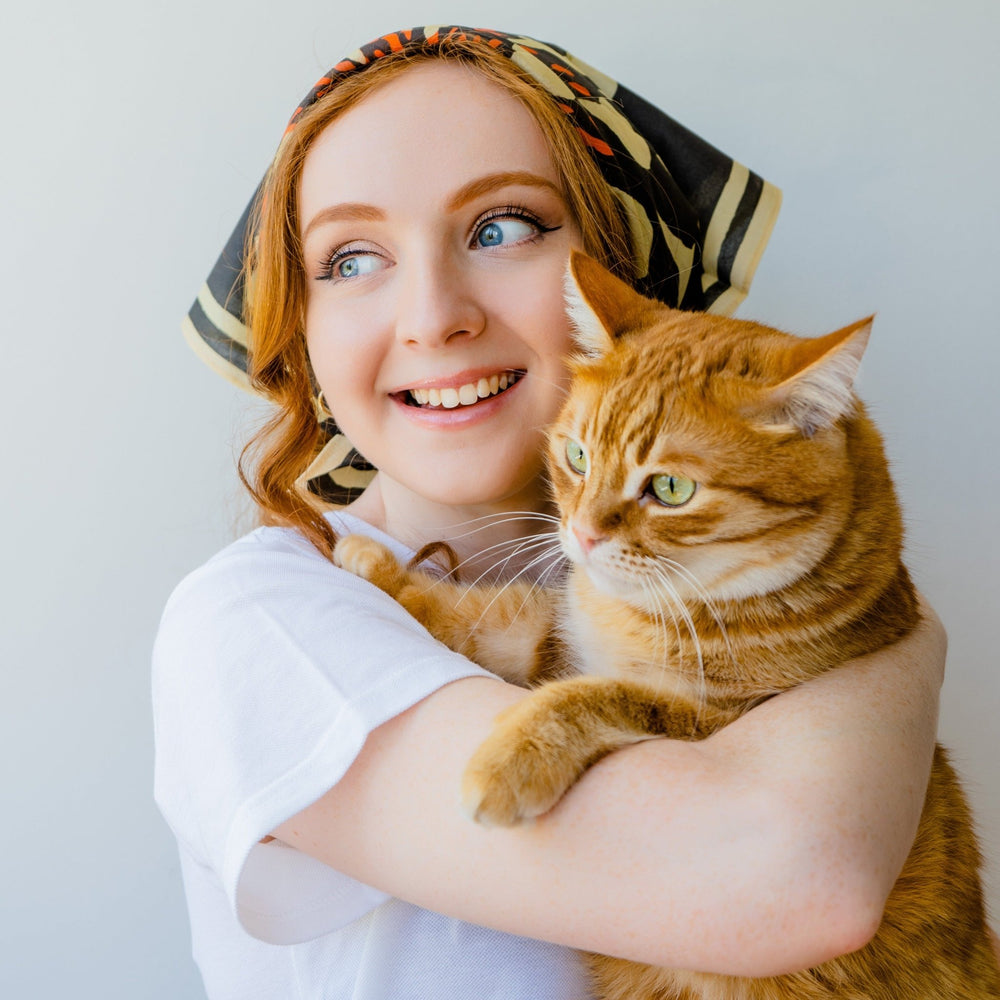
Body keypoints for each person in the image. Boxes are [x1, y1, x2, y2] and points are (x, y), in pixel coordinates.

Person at [155, 26, 964, 999]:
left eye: (499, 228)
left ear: (611, 283)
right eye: (351, 257)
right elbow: (792, 881)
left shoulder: (654, 578)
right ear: (301, 327)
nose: (432, 315)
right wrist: (907, 645)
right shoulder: (256, 622)